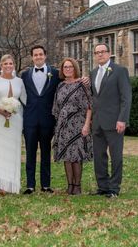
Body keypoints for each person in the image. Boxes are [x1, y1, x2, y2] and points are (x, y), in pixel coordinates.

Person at [90, 43, 132, 199]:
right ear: (94, 55)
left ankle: (114, 188)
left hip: (115, 122)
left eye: (103, 52)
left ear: (109, 53)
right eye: (97, 53)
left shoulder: (120, 71)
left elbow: (126, 98)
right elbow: (95, 97)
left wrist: (122, 119)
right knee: (99, 156)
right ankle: (103, 187)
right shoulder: (93, 73)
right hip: (98, 122)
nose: (100, 55)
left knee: (116, 156)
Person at [20, 45, 59, 194]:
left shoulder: (55, 74)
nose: (38, 57)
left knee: (45, 152)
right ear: (32, 57)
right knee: (30, 153)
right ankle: (30, 185)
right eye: (35, 55)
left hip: (47, 120)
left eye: (40, 54)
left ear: (45, 56)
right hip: (29, 120)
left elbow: (69, 80)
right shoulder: (24, 75)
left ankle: (46, 185)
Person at [0, 54, 26, 194]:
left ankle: (11, 182)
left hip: (15, 119)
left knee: (12, 150)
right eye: (5, 64)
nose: (8, 66)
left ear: (13, 65)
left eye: (11, 63)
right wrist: (0, 110)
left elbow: (25, 100)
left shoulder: (20, 82)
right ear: (1, 66)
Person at [52, 57, 93, 195]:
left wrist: (87, 125)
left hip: (78, 125)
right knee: (67, 156)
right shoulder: (60, 86)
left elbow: (89, 106)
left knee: (77, 155)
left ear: (75, 68)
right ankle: (69, 185)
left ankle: (77, 186)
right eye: (65, 67)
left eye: (70, 67)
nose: (67, 69)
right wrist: (58, 126)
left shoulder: (82, 84)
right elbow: (56, 107)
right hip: (63, 126)